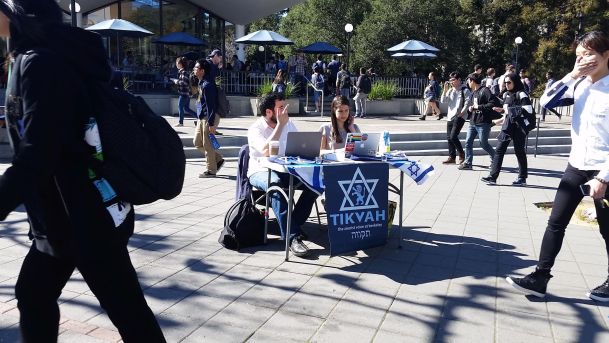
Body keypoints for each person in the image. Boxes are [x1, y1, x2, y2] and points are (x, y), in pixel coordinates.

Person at [0, 1, 166, 341]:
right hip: (68, 216)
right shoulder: (45, 56)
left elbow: (38, 153)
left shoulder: (41, 63)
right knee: (34, 295)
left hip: (81, 219)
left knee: (129, 313)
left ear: (14, 13)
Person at [506, 31, 609, 301]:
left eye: (590, 55)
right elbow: (548, 100)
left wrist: (604, 178)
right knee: (556, 222)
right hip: (576, 165)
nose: (584, 60)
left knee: (608, 229)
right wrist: (573, 74)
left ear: (606, 55)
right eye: (579, 56)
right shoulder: (580, 85)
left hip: (603, 170)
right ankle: (540, 277)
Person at [247, 93, 318, 257]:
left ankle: (292, 225)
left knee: (316, 183)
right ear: (268, 112)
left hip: (286, 169)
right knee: (276, 184)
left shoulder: (289, 124)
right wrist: (280, 126)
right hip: (260, 171)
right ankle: (292, 237)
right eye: (280, 108)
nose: (285, 111)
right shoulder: (255, 129)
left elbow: (299, 145)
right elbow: (265, 150)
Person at [480, 73, 531, 186]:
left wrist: (508, 111)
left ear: (515, 82)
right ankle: (492, 177)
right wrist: (502, 110)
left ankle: (522, 178)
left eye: (509, 82)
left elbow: (528, 110)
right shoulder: (506, 94)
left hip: (518, 126)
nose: (506, 85)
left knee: (519, 151)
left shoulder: (521, 93)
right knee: (499, 150)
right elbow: (507, 109)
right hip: (507, 125)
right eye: (505, 83)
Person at [458, 73, 498, 170]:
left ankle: (495, 160)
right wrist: (470, 110)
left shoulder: (485, 90)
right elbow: (473, 107)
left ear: (472, 81)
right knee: (468, 142)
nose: (467, 83)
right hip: (473, 122)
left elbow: (492, 103)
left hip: (483, 122)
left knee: (483, 143)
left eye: (468, 81)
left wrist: (478, 107)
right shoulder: (473, 93)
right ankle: (468, 163)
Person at [193, 59, 224, 178]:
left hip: (209, 117)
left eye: (196, 68)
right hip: (202, 117)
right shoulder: (201, 82)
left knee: (207, 145)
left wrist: (211, 124)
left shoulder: (208, 85)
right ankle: (217, 159)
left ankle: (211, 170)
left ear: (202, 71)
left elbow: (211, 106)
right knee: (197, 142)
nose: (194, 70)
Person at [440, 71, 470, 164]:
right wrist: (445, 90)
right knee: (449, 137)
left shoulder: (464, 90)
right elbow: (443, 101)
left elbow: (468, 102)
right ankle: (452, 157)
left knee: (453, 136)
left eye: (453, 80)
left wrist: (463, 112)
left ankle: (461, 153)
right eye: (451, 80)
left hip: (460, 116)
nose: (452, 82)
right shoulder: (450, 90)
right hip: (450, 116)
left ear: (459, 80)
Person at [175, 57, 197, 127]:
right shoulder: (183, 72)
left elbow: (184, 82)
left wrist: (176, 82)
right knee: (186, 108)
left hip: (184, 93)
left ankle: (181, 122)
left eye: (177, 63)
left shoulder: (184, 72)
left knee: (180, 107)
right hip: (187, 93)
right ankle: (199, 118)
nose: (176, 64)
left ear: (180, 64)